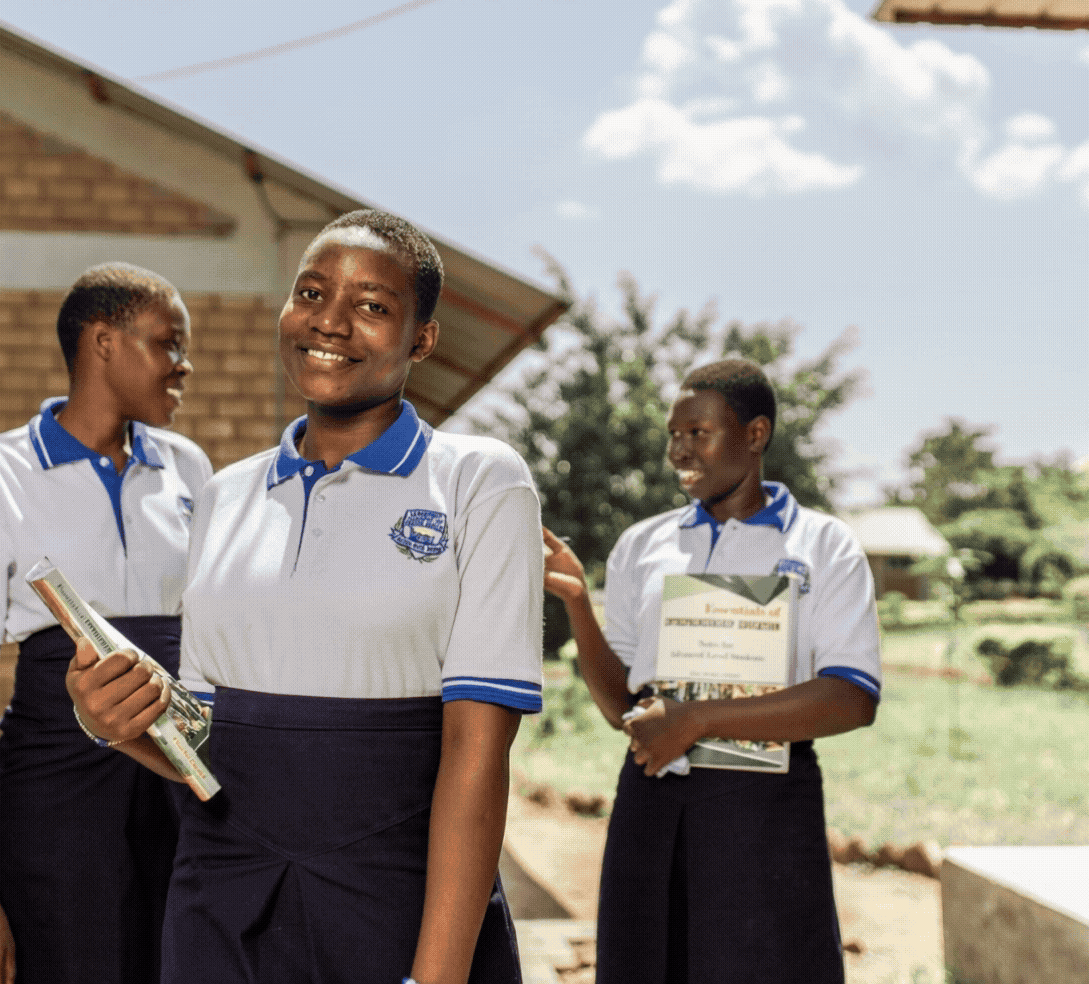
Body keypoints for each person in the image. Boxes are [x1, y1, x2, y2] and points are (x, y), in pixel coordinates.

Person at [68, 210, 544, 984]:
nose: (331, 321)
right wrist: (111, 723)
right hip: (219, 901)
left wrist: (436, 978)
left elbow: (475, 756)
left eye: (373, 306)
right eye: (313, 292)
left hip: (396, 902)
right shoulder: (225, 496)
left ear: (421, 339)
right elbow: (207, 746)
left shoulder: (478, 481)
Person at [542, 359, 881, 984]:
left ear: (755, 435)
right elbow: (624, 707)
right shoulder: (643, 546)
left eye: (698, 433)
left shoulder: (823, 545)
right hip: (652, 799)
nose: (679, 450)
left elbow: (851, 697)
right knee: (646, 963)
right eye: (674, 434)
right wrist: (578, 608)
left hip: (768, 805)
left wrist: (694, 720)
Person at [0, 264, 213, 984]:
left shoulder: (191, 470)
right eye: (168, 343)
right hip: (54, 803)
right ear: (104, 342)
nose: (185, 365)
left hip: (182, 790)